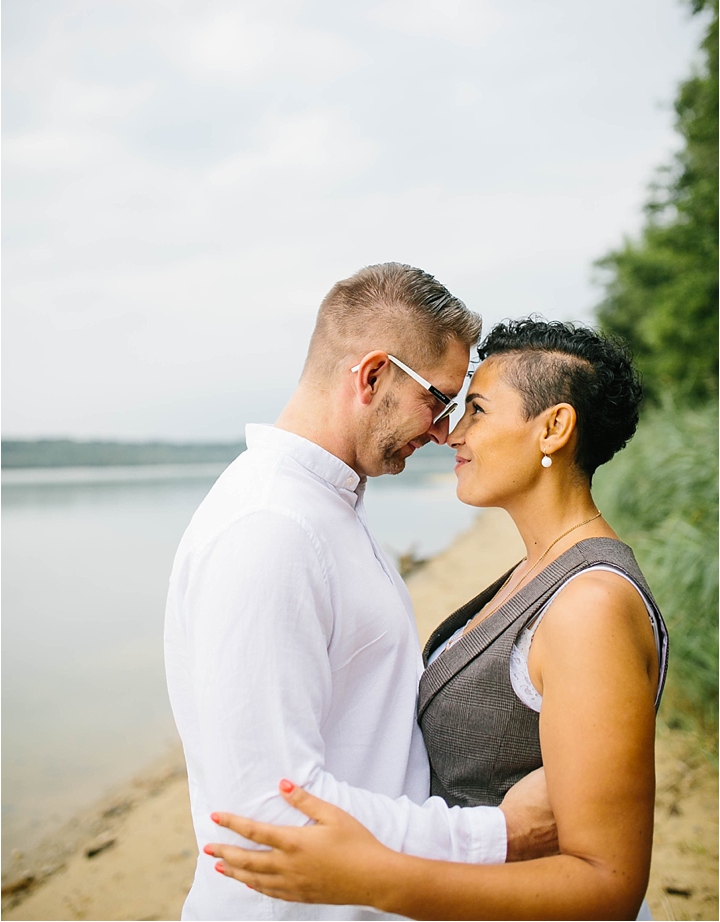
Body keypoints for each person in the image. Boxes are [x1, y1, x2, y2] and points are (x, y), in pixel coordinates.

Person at [205, 319, 669, 922]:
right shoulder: (534, 572)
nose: (449, 432)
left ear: (553, 428)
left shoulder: (591, 606)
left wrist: (379, 881)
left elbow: (608, 887)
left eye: (475, 409)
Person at [164, 268, 556, 922]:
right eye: (438, 399)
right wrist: (498, 834)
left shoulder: (327, 507)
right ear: (372, 375)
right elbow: (267, 808)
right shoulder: (271, 528)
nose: (443, 432)